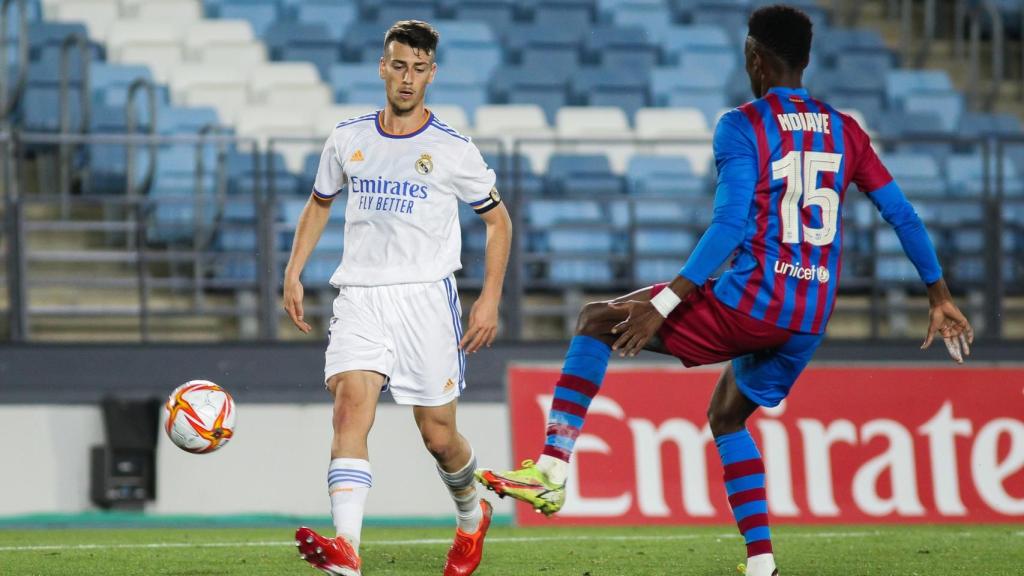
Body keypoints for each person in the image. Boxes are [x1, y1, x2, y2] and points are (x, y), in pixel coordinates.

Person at [475, 5, 973, 576]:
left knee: (594, 319)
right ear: (805, 61)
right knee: (728, 415)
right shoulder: (846, 129)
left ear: (756, 60)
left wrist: (663, 304)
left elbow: (730, 226)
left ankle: (552, 470)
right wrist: (938, 296)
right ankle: (761, 565)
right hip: (809, 317)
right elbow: (902, 215)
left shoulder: (742, 124)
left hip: (753, 301)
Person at [284, 20, 512, 576]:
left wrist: (489, 300)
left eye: (418, 68)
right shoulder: (348, 138)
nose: (407, 78)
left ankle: (470, 514)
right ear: (382, 67)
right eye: (398, 65)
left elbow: (498, 221)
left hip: (426, 302)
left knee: (438, 436)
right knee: (349, 408)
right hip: (360, 295)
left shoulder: (452, 149)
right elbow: (319, 204)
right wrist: (293, 272)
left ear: (431, 74)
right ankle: (347, 551)